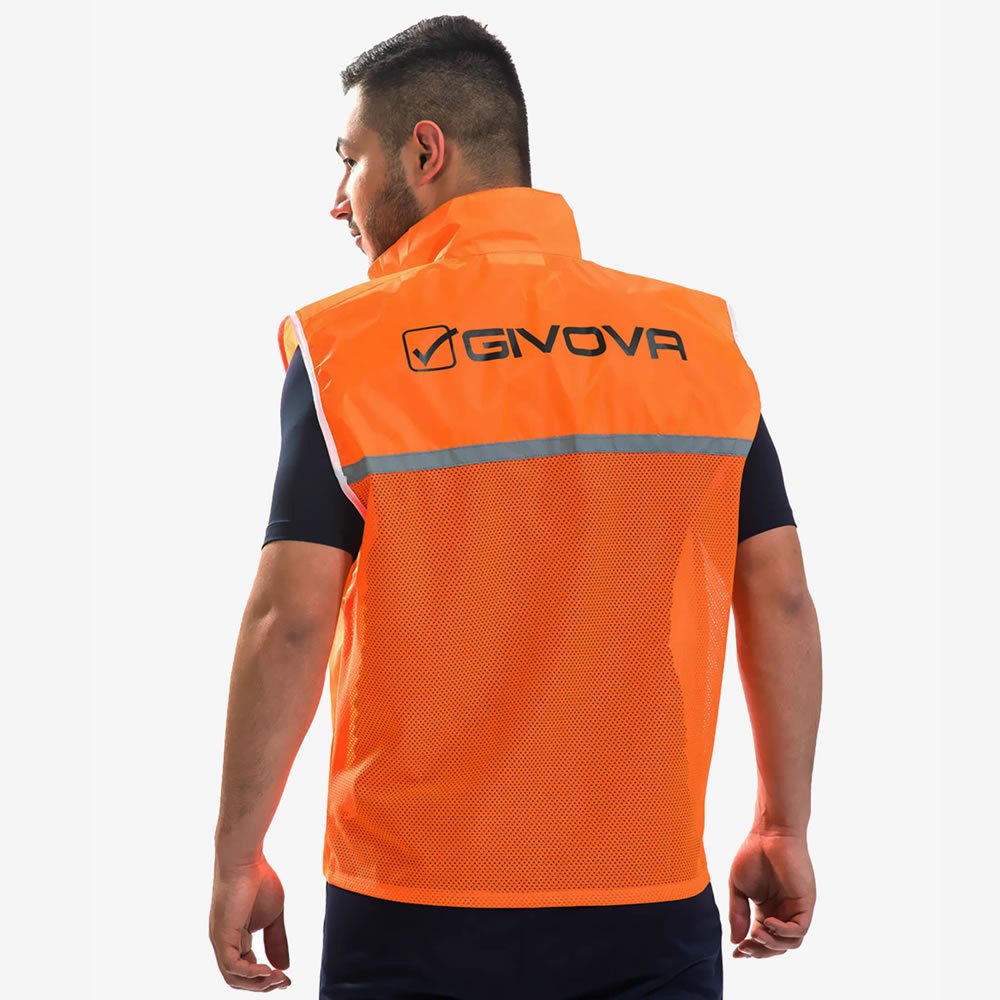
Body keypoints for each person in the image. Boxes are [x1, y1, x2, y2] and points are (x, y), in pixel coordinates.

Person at [209, 15, 822, 999]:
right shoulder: (693, 341)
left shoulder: (349, 350)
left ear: (425, 152)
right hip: (644, 893)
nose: (336, 198)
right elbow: (780, 595)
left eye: (350, 159)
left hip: (412, 900)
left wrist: (239, 855)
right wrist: (782, 825)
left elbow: (288, 621)